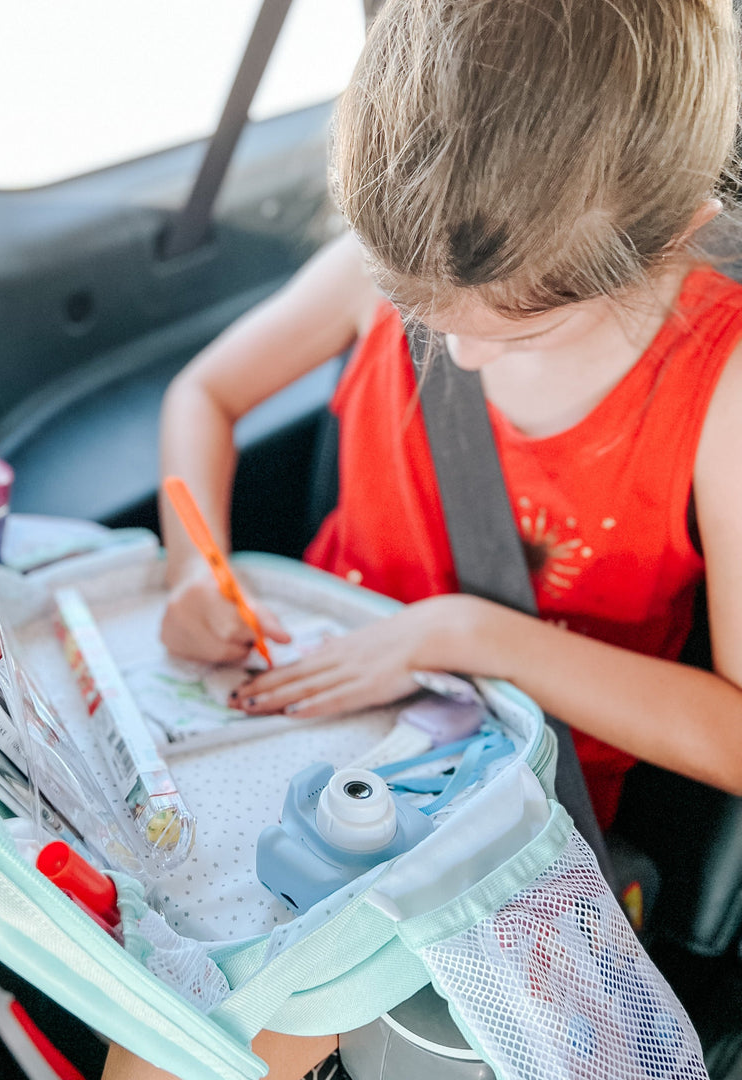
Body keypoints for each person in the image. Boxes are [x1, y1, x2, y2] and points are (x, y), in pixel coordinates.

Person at [108, 0, 742, 1077]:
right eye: (425, 310)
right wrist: (193, 565)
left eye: (509, 326)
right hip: (279, 701)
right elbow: (204, 396)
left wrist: (466, 633)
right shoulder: (401, 254)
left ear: (673, 230)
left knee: (212, 1023)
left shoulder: (717, 386)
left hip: (479, 809)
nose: (454, 350)